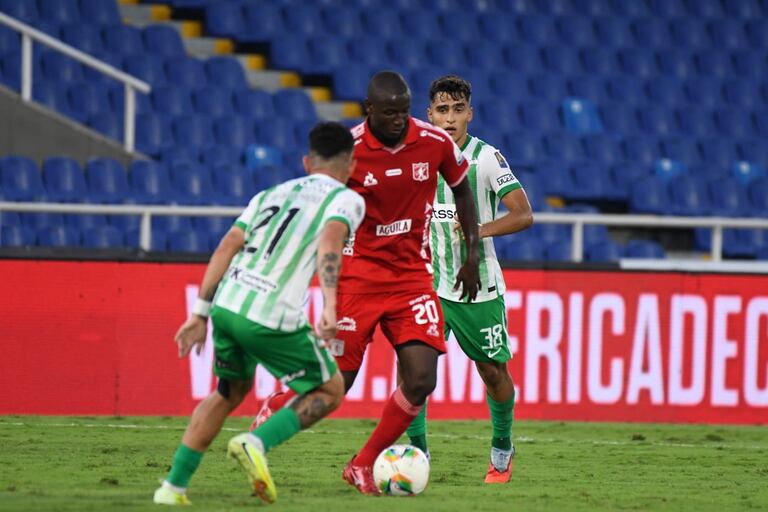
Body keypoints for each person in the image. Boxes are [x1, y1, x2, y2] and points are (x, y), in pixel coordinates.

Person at [252, 70, 482, 495]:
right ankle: (274, 412)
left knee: (421, 378)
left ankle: (362, 464)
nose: (399, 120)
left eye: (405, 112)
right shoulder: (350, 151)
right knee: (336, 382)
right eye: (390, 113)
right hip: (358, 279)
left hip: (412, 277)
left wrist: (472, 255)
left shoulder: (434, 143)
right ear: (369, 109)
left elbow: (463, 191)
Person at [152, 121, 365, 505]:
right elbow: (331, 241)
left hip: (228, 305)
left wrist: (200, 313)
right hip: (270, 315)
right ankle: (255, 442)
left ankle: (172, 488)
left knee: (228, 391)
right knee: (331, 390)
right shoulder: (347, 198)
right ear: (350, 165)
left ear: (306, 162)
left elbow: (226, 246)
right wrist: (331, 304)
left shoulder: (270, 193)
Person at [406, 75, 533, 483]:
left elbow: (523, 213)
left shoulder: (486, 159)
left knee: (492, 372)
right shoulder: (415, 158)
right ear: (429, 115)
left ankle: (501, 448)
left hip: (477, 287)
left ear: (469, 114)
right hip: (426, 283)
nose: (450, 118)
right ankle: (417, 453)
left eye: (458, 110)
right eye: (442, 110)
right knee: (414, 370)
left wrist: (480, 228)